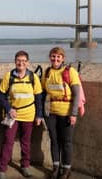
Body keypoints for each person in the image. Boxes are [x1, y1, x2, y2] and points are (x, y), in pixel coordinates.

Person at [0, 50, 43, 179]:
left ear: (27, 63)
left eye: (23, 61)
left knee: (26, 142)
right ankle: (2, 169)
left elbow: (39, 98)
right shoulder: (9, 76)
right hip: (12, 114)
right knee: (8, 141)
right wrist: (9, 108)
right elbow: (0, 94)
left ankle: (25, 166)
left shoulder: (33, 77)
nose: (21, 63)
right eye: (18, 60)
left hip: (29, 114)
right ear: (15, 61)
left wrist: (39, 115)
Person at [42, 47, 80, 179]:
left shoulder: (70, 72)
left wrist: (74, 114)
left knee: (67, 142)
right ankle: (56, 167)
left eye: (58, 57)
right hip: (51, 112)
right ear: (50, 57)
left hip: (67, 112)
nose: (55, 59)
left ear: (63, 58)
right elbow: (43, 93)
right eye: (53, 56)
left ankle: (66, 169)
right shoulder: (47, 72)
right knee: (54, 140)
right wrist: (41, 113)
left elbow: (77, 94)